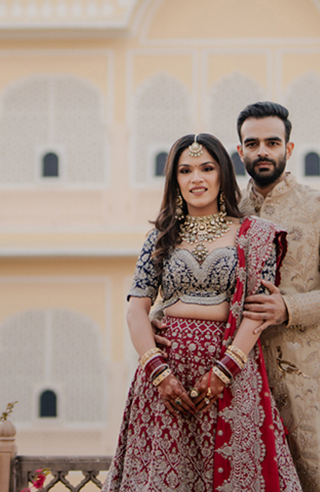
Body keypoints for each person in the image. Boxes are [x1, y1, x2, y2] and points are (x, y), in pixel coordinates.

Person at [106, 133, 302, 492]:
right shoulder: (160, 237)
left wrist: (224, 370)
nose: (196, 178)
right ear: (175, 179)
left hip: (233, 372)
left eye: (206, 168)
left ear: (222, 175)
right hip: (166, 377)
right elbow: (137, 308)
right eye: (185, 170)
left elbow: (256, 313)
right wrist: (157, 370)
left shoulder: (253, 235)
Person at [237, 101, 320, 492]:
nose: (262, 151)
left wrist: (289, 308)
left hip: (306, 378)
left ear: (288, 149)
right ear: (240, 150)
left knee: (318, 482)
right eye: (253, 143)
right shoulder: (230, 213)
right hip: (241, 374)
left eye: (272, 142)